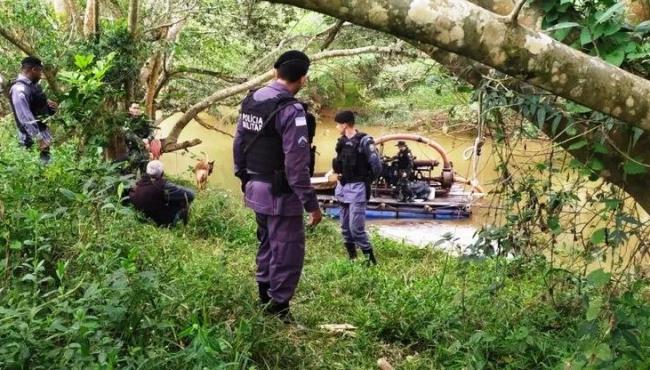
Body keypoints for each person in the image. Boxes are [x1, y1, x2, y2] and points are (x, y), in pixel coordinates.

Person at [233, 50, 322, 322]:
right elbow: (297, 166)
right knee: (287, 250)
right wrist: (312, 205)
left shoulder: (251, 100)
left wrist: (243, 178)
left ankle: (263, 295)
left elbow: (238, 143)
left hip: (255, 188)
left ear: (275, 72)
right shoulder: (291, 110)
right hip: (281, 194)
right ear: (303, 79)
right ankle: (279, 307)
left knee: (267, 242)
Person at [332, 110, 382, 265]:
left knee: (356, 229)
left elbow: (377, 166)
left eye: (338, 124)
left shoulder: (365, 141)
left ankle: (371, 262)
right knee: (345, 229)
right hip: (342, 186)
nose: (336, 127)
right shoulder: (341, 142)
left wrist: (367, 181)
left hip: (358, 188)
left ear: (345, 124)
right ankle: (352, 259)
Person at [8, 56, 58, 164]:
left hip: (43, 136)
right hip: (32, 140)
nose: (41, 75)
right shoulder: (19, 89)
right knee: (38, 173)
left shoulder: (32, 87)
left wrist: (49, 106)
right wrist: (39, 140)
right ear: (34, 70)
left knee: (49, 173)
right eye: (40, 71)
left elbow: (36, 106)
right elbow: (25, 118)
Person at [128, 160, 195, 227]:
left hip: (146, 220)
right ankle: (180, 225)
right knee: (184, 201)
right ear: (162, 173)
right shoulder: (163, 186)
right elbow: (191, 194)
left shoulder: (139, 184)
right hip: (163, 221)